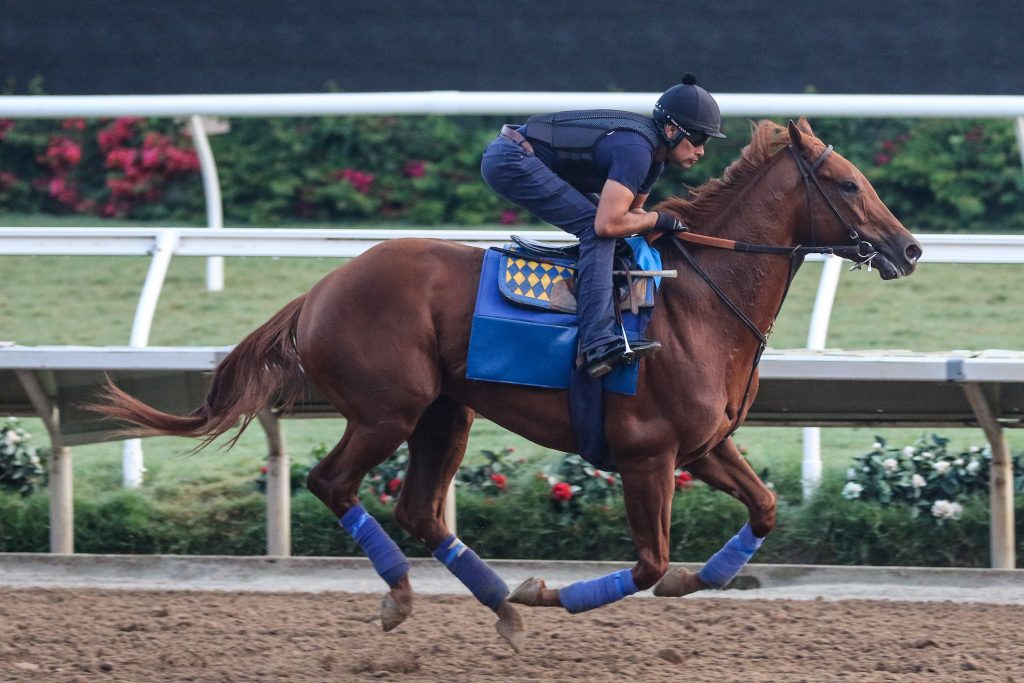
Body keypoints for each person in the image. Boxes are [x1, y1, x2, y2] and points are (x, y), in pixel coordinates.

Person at [481, 73, 726, 378]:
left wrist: (655, 222)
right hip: (510, 159)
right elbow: (608, 224)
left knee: (608, 229)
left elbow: (632, 216)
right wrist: (658, 218)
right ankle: (598, 341)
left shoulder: (655, 158)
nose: (701, 150)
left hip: (527, 156)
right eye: (698, 139)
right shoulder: (636, 152)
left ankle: (604, 318)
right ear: (672, 129)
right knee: (596, 231)